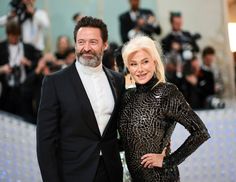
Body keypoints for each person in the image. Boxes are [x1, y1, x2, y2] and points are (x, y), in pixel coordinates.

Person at [36, 16, 125, 182]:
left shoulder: (118, 80)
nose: (86, 48)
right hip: (72, 174)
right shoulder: (54, 82)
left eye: (93, 42)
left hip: (111, 173)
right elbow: (45, 142)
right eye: (81, 42)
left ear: (105, 45)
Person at [118, 35, 210, 181]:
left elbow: (200, 132)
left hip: (162, 177)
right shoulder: (127, 96)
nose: (140, 69)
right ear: (128, 67)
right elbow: (127, 140)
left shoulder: (167, 92)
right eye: (134, 64)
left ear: (154, 62)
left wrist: (168, 161)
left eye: (145, 62)